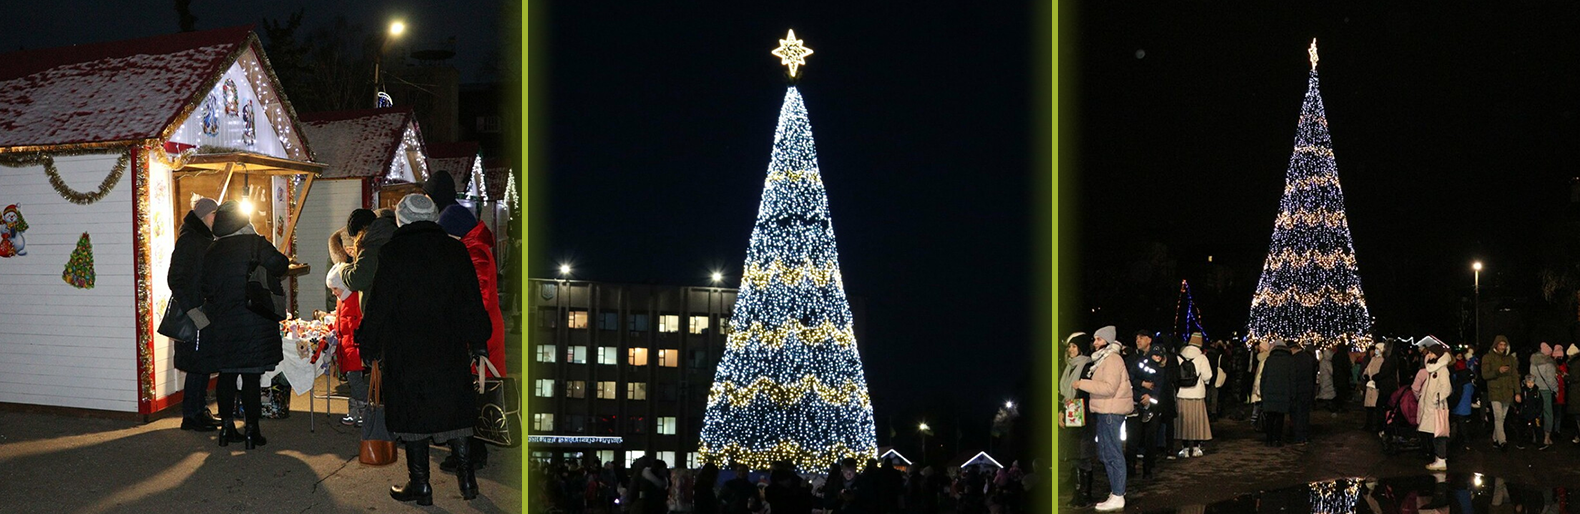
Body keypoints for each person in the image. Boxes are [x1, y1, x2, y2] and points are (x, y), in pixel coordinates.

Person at [358, 195, 492, 505]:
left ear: (402, 221)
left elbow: (379, 306)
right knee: (456, 411)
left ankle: (421, 486)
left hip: (407, 350)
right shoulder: (455, 250)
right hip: (449, 346)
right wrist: (480, 342)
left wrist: (368, 343)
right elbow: (471, 300)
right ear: (433, 219)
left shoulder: (393, 252)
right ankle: (468, 482)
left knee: (413, 415)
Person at [194, 200, 287, 449]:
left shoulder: (212, 250)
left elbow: (204, 287)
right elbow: (282, 265)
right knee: (250, 378)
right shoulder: (255, 243)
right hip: (254, 320)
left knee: (226, 374)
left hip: (222, 321)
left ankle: (226, 428)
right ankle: (252, 431)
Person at [437, 204, 506, 473]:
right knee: (473, 393)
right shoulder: (472, 246)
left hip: (479, 334)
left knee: (475, 395)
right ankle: (468, 450)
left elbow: (477, 298)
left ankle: (473, 453)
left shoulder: (474, 251)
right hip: (481, 330)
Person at [169, 196, 221, 432]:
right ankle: (191, 414)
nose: (216, 219)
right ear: (204, 216)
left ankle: (199, 410)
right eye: (213, 214)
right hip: (194, 311)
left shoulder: (203, 239)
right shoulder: (190, 240)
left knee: (202, 363)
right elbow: (176, 279)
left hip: (202, 309)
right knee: (197, 364)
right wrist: (192, 309)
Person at [1073, 325, 1132, 512]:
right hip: (1105, 410)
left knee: (1112, 453)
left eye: (1098, 339)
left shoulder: (1112, 359)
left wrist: (1083, 383)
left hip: (1110, 412)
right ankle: (1116, 492)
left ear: (1106, 340)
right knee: (1107, 454)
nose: (1094, 342)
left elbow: (1108, 388)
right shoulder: (1104, 359)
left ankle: (1118, 493)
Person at [1058, 332, 1095, 507]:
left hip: (1083, 413)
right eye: (1069, 347)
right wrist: (1060, 412)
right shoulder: (1069, 367)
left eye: (1074, 346)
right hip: (1070, 411)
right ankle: (1077, 492)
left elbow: (1086, 393)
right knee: (1073, 455)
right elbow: (1063, 393)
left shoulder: (1087, 366)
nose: (1070, 350)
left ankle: (1085, 494)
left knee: (1082, 455)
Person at [325, 263, 364, 426]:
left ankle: (363, 412)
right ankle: (355, 412)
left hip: (354, 350)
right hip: (346, 349)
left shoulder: (355, 300)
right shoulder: (343, 300)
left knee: (356, 383)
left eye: (335, 289)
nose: (334, 293)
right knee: (352, 382)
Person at [1129, 332, 1171, 479]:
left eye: (1141, 337)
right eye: (1136, 338)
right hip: (1137, 403)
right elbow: (1130, 378)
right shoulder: (1136, 360)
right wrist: (1142, 387)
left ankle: (1147, 468)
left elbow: (1160, 386)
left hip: (1151, 406)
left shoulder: (1160, 368)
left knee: (1150, 439)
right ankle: (1131, 467)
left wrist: (1150, 397)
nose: (1137, 340)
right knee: (1133, 439)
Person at [340, 208, 397, 310]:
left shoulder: (372, 249)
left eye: (354, 238)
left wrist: (343, 268)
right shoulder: (390, 238)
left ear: (359, 233)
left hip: (381, 313)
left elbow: (356, 279)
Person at [1174, 335, 1214, 457]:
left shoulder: (1179, 357)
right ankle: (1196, 448)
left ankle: (1185, 449)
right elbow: (1208, 376)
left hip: (1182, 394)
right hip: (1197, 394)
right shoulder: (1202, 358)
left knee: (1183, 423)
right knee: (1197, 422)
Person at [1415, 340, 1451, 471]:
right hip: (1431, 406)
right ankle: (1439, 458)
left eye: (1430, 353)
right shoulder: (1432, 369)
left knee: (1439, 434)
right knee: (1435, 433)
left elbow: (1446, 388)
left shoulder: (1441, 370)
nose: (1428, 355)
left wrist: (1437, 397)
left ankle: (1441, 460)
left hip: (1437, 407)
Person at [1482, 335, 1518, 451]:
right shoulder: (1488, 358)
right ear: (1496, 345)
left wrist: (1517, 392)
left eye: (1504, 345)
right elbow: (1485, 375)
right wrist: (1498, 371)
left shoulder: (1510, 359)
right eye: (1500, 345)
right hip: (1495, 391)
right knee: (1498, 416)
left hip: (1507, 391)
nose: (1502, 347)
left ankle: (1495, 439)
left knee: (1502, 417)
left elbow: (1514, 376)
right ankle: (1503, 441)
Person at [1260, 340, 1295, 446]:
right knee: (1280, 418)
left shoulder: (1269, 360)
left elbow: (1263, 378)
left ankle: (1269, 439)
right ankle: (1277, 440)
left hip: (1269, 392)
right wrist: (1292, 394)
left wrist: (1263, 393)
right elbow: (1292, 379)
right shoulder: (1290, 361)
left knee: (1269, 418)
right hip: (1283, 393)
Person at [1290, 341, 1319, 444]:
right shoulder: (1307, 358)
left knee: (1297, 414)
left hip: (1298, 390)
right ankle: (1305, 435)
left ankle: (1299, 436)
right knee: (1305, 414)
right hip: (1308, 389)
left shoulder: (1294, 360)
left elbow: (1293, 376)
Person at [1531, 343, 1559, 449]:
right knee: (1548, 413)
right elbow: (1551, 380)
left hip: (1535, 390)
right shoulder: (1549, 364)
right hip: (1546, 391)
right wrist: (1556, 390)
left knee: (1537, 413)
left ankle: (1536, 435)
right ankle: (1547, 437)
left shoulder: (1533, 362)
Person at [1514, 375, 1543, 449]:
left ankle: (1540, 444)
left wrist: (1538, 411)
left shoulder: (1537, 391)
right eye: (1528, 382)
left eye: (1532, 382)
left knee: (1538, 428)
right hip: (1524, 413)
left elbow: (1540, 402)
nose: (1530, 384)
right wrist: (1519, 410)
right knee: (1522, 429)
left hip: (1534, 414)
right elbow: (1519, 401)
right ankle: (1520, 443)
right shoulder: (1522, 391)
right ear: (1525, 382)